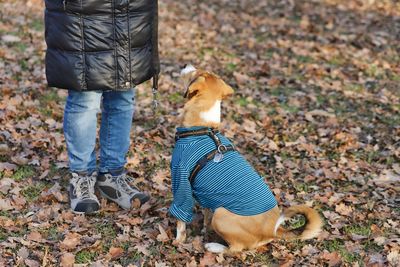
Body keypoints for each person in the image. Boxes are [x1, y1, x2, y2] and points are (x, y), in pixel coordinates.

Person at [44, 0, 160, 214]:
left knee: (123, 95)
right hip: (81, 13)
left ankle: (112, 176)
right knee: (85, 96)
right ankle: (82, 177)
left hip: (131, 11)